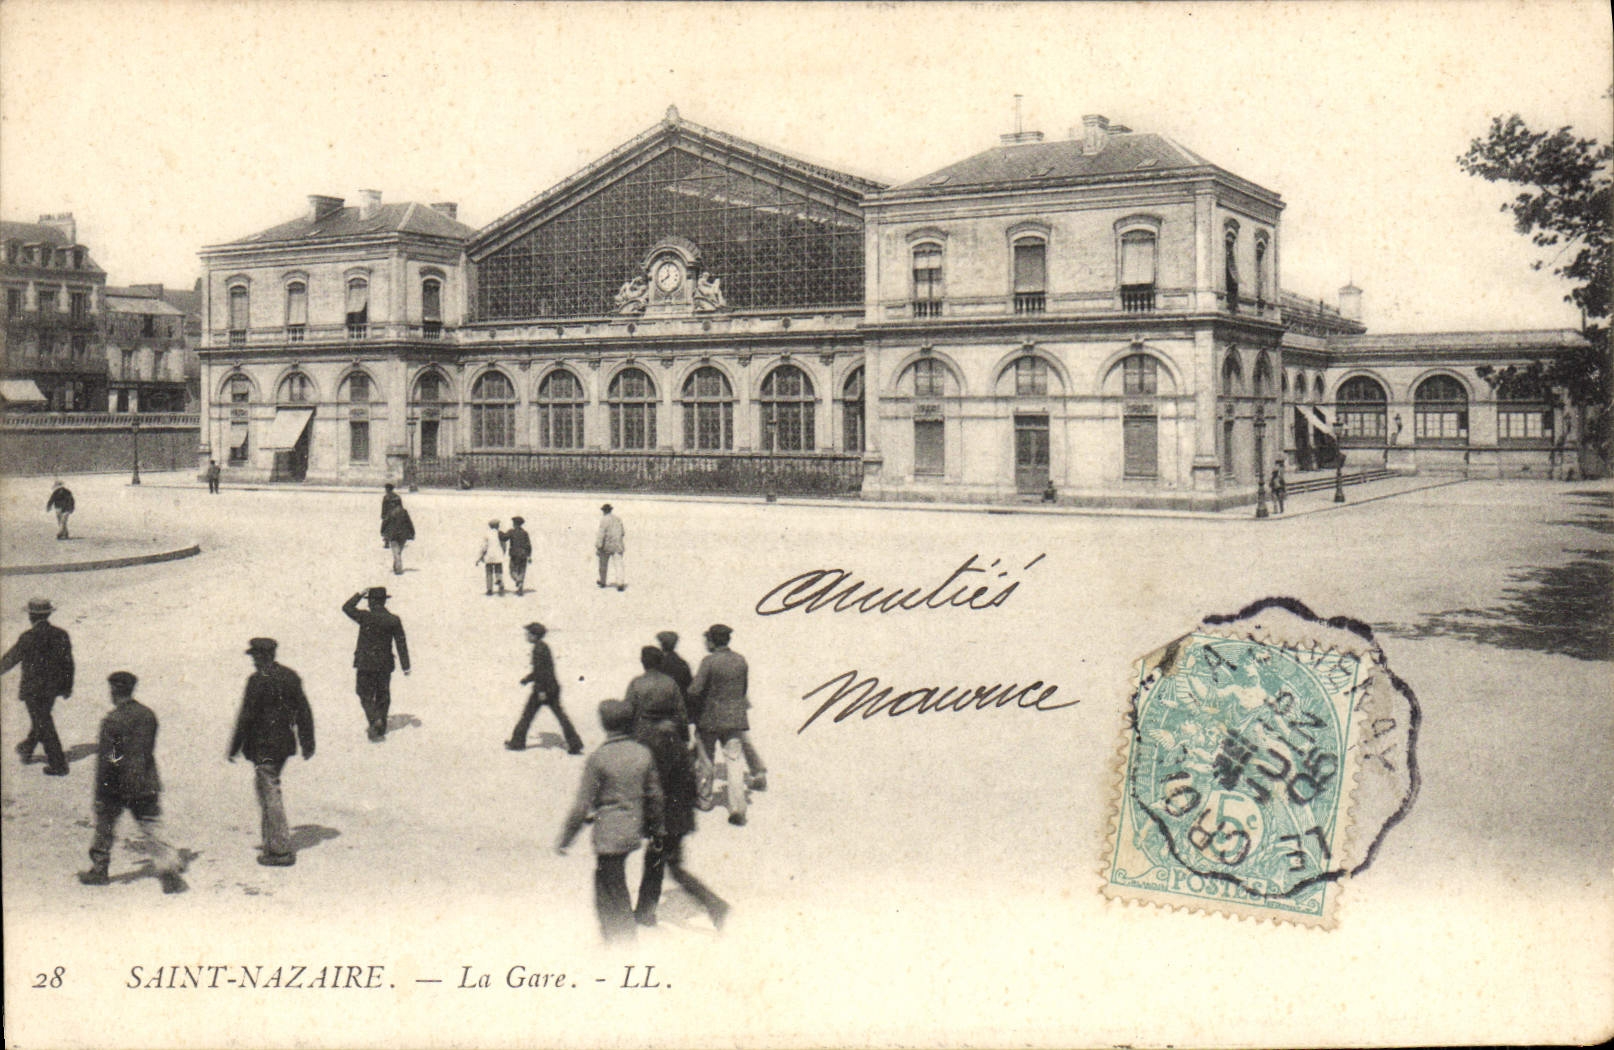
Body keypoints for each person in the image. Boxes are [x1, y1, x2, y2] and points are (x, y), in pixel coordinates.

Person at [555, 700, 664, 943]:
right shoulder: (642, 753)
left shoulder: (599, 758)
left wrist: (566, 838)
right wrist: (657, 830)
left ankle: (622, 945)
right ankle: (617, 939)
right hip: (633, 830)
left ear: (605, 724)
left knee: (611, 890)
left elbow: (581, 807)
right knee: (609, 883)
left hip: (609, 836)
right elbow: (655, 796)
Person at [78, 672, 185, 893]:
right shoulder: (148, 715)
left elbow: (112, 758)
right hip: (145, 781)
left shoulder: (113, 720)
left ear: (114, 691)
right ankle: (169, 870)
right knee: (151, 826)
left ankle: (99, 870)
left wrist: (102, 790)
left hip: (117, 785)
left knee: (105, 826)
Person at [634, 696, 728, 931]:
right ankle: (645, 912)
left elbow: (658, 787)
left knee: (664, 866)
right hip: (680, 817)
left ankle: (714, 905)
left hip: (667, 819)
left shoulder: (660, 745)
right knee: (662, 865)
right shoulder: (677, 743)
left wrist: (653, 819)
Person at [227, 638, 315, 867]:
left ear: (261, 657)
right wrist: (307, 742)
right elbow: (303, 710)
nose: (254, 661)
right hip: (284, 743)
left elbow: (246, 716)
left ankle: (279, 849)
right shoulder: (289, 676)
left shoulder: (256, 681)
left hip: (263, 746)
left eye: (255, 657)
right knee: (267, 789)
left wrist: (234, 747)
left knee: (269, 792)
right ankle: (272, 843)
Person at [689, 624, 767, 825]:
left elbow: (695, 690)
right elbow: (743, 690)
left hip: (710, 719)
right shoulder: (740, 660)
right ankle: (737, 808)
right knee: (734, 762)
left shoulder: (709, 661)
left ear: (712, 641)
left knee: (706, 760)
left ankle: (705, 800)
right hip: (735, 719)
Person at [2, 597, 74, 777]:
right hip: (52, 689)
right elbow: (68, 664)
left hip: (32, 690)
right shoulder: (61, 634)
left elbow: (10, 659)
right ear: (49, 614)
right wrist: (67, 687)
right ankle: (27, 748)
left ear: (31, 616)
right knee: (41, 719)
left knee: (43, 723)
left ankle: (58, 764)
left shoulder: (28, 637)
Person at [342, 588, 411, 742]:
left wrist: (359, 594)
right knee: (383, 695)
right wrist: (406, 666)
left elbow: (346, 608)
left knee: (363, 692)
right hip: (385, 664)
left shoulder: (365, 617)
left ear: (371, 601)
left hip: (365, 663)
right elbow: (401, 644)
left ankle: (374, 719)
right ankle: (381, 727)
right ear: (384, 601)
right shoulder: (393, 620)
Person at [506, 623, 583, 754]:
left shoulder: (538, 649)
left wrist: (541, 691)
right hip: (551, 688)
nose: (526, 636)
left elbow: (541, 672)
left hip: (543, 689)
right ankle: (575, 744)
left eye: (528, 633)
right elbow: (541, 670)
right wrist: (527, 679)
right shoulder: (543, 647)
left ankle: (517, 743)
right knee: (561, 716)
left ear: (534, 636)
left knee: (527, 716)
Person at [624, 646, 687, 743]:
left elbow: (628, 710)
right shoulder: (670, 682)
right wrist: (683, 736)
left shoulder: (636, 683)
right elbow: (681, 711)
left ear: (643, 662)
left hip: (642, 732)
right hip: (666, 732)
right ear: (660, 662)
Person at [595, 504, 625, 591]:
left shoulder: (604, 520)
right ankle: (620, 583)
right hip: (618, 545)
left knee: (603, 565)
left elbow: (601, 535)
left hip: (607, 546)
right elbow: (623, 532)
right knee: (619, 565)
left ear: (604, 511)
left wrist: (598, 546)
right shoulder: (618, 519)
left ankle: (603, 581)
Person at [381, 500, 416, 576]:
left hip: (393, 534)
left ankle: (398, 568)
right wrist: (412, 533)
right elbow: (409, 522)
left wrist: (383, 531)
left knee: (396, 552)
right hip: (403, 535)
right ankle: (397, 566)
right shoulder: (404, 512)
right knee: (399, 551)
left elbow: (385, 522)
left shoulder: (390, 511)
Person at [504, 516, 533, 596]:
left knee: (512, 570)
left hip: (514, 554)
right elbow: (528, 545)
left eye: (513, 523)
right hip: (523, 554)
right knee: (522, 571)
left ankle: (517, 580)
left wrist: (498, 532)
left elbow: (504, 538)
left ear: (515, 524)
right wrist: (529, 556)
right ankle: (520, 586)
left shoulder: (511, 532)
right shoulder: (525, 533)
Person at [477, 519, 507, 596]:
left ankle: (489, 589)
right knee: (498, 571)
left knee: (489, 573)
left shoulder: (487, 534)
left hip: (489, 556)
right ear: (497, 526)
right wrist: (503, 553)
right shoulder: (500, 533)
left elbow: (484, 546)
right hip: (498, 555)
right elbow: (504, 545)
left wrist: (480, 556)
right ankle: (500, 585)